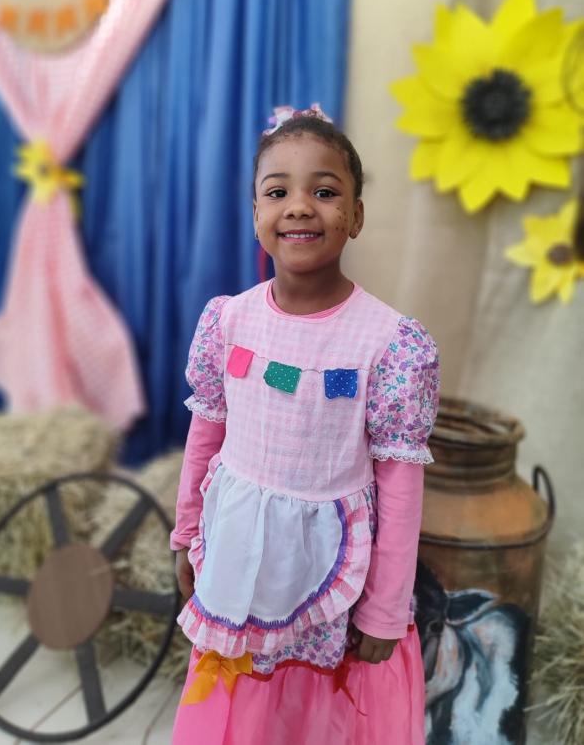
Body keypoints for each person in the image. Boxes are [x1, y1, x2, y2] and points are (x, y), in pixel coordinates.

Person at [170, 104, 440, 744]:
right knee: (247, 715)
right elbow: (205, 438)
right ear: (255, 213)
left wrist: (385, 608)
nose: (298, 207)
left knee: (316, 717)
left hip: (330, 578)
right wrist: (185, 533)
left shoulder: (389, 343)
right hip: (237, 560)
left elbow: (400, 485)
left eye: (324, 192)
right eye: (277, 192)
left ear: (356, 216)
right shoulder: (227, 322)